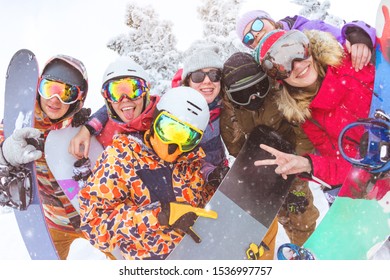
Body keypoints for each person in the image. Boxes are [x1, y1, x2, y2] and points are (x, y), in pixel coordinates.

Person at [79, 87, 216, 260]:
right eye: (168, 129)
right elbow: (94, 226)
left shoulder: (190, 163)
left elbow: (205, 211)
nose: (174, 145)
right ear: (155, 121)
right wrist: (158, 216)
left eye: (187, 138)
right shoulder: (122, 158)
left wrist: (218, 185)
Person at [221, 51, 319, 259]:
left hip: (292, 162)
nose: (253, 98)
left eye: (258, 89)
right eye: (243, 95)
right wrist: (252, 166)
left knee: (301, 214)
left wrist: (297, 168)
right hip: (262, 168)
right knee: (276, 215)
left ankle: (308, 253)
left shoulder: (278, 92)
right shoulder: (232, 107)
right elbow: (234, 143)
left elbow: (303, 131)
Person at [252, 29, 374, 187]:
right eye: (282, 66)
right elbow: (347, 166)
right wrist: (309, 165)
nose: (297, 65)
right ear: (280, 79)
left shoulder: (352, 59)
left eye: (298, 51)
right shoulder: (309, 118)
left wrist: (364, 34)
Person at [0, 54, 92, 259]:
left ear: (79, 98)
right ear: (39, 88)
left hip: (91, 219)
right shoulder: (18, 126)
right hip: (53, 224)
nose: (54, 99)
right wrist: (4, 152)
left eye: (66, 93)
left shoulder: (83, 128)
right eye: (50, 88)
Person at [68, 56, 160, 159]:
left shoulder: (162, 116)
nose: (125, 99)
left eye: (134, 90)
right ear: (107, 99)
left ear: (146, 91)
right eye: (115, 93)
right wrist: (87, 128)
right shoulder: (107, 130)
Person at [236, 10, 376, 71]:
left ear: (269, 20)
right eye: (248, 37)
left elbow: (343, 38)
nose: (255, 34)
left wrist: (359, 35)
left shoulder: (308, 28)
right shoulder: (268, 68)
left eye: (257, 24)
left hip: (359, 77)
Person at [180, 47, 229, 192]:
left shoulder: (223, 106)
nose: (207, 81)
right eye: (198, 76)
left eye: (214, 75)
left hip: (219, 176)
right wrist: (209, 172)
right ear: (188, 81)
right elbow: (181, 158)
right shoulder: (179, 114)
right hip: (190, 184)